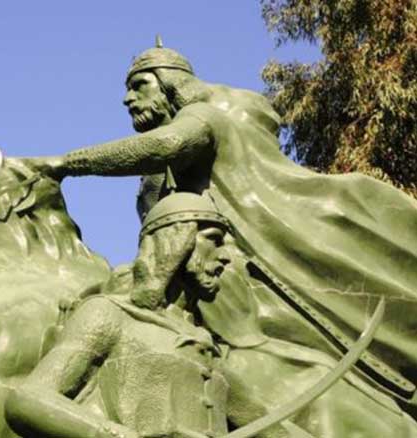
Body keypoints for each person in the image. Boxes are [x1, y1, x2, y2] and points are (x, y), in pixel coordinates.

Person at [25, 37, 417, 420]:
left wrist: (66, 163)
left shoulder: (204, 117)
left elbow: (169, 144)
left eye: (139, 85)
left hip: (234, 263)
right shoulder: (159, 181)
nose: (128, 99)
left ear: (169, 83)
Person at [5, 193, 231, 438]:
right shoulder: (109, 312)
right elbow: (29, 398)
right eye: (214, 239)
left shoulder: (208, 343)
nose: (225, 257)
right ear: (176, 239)